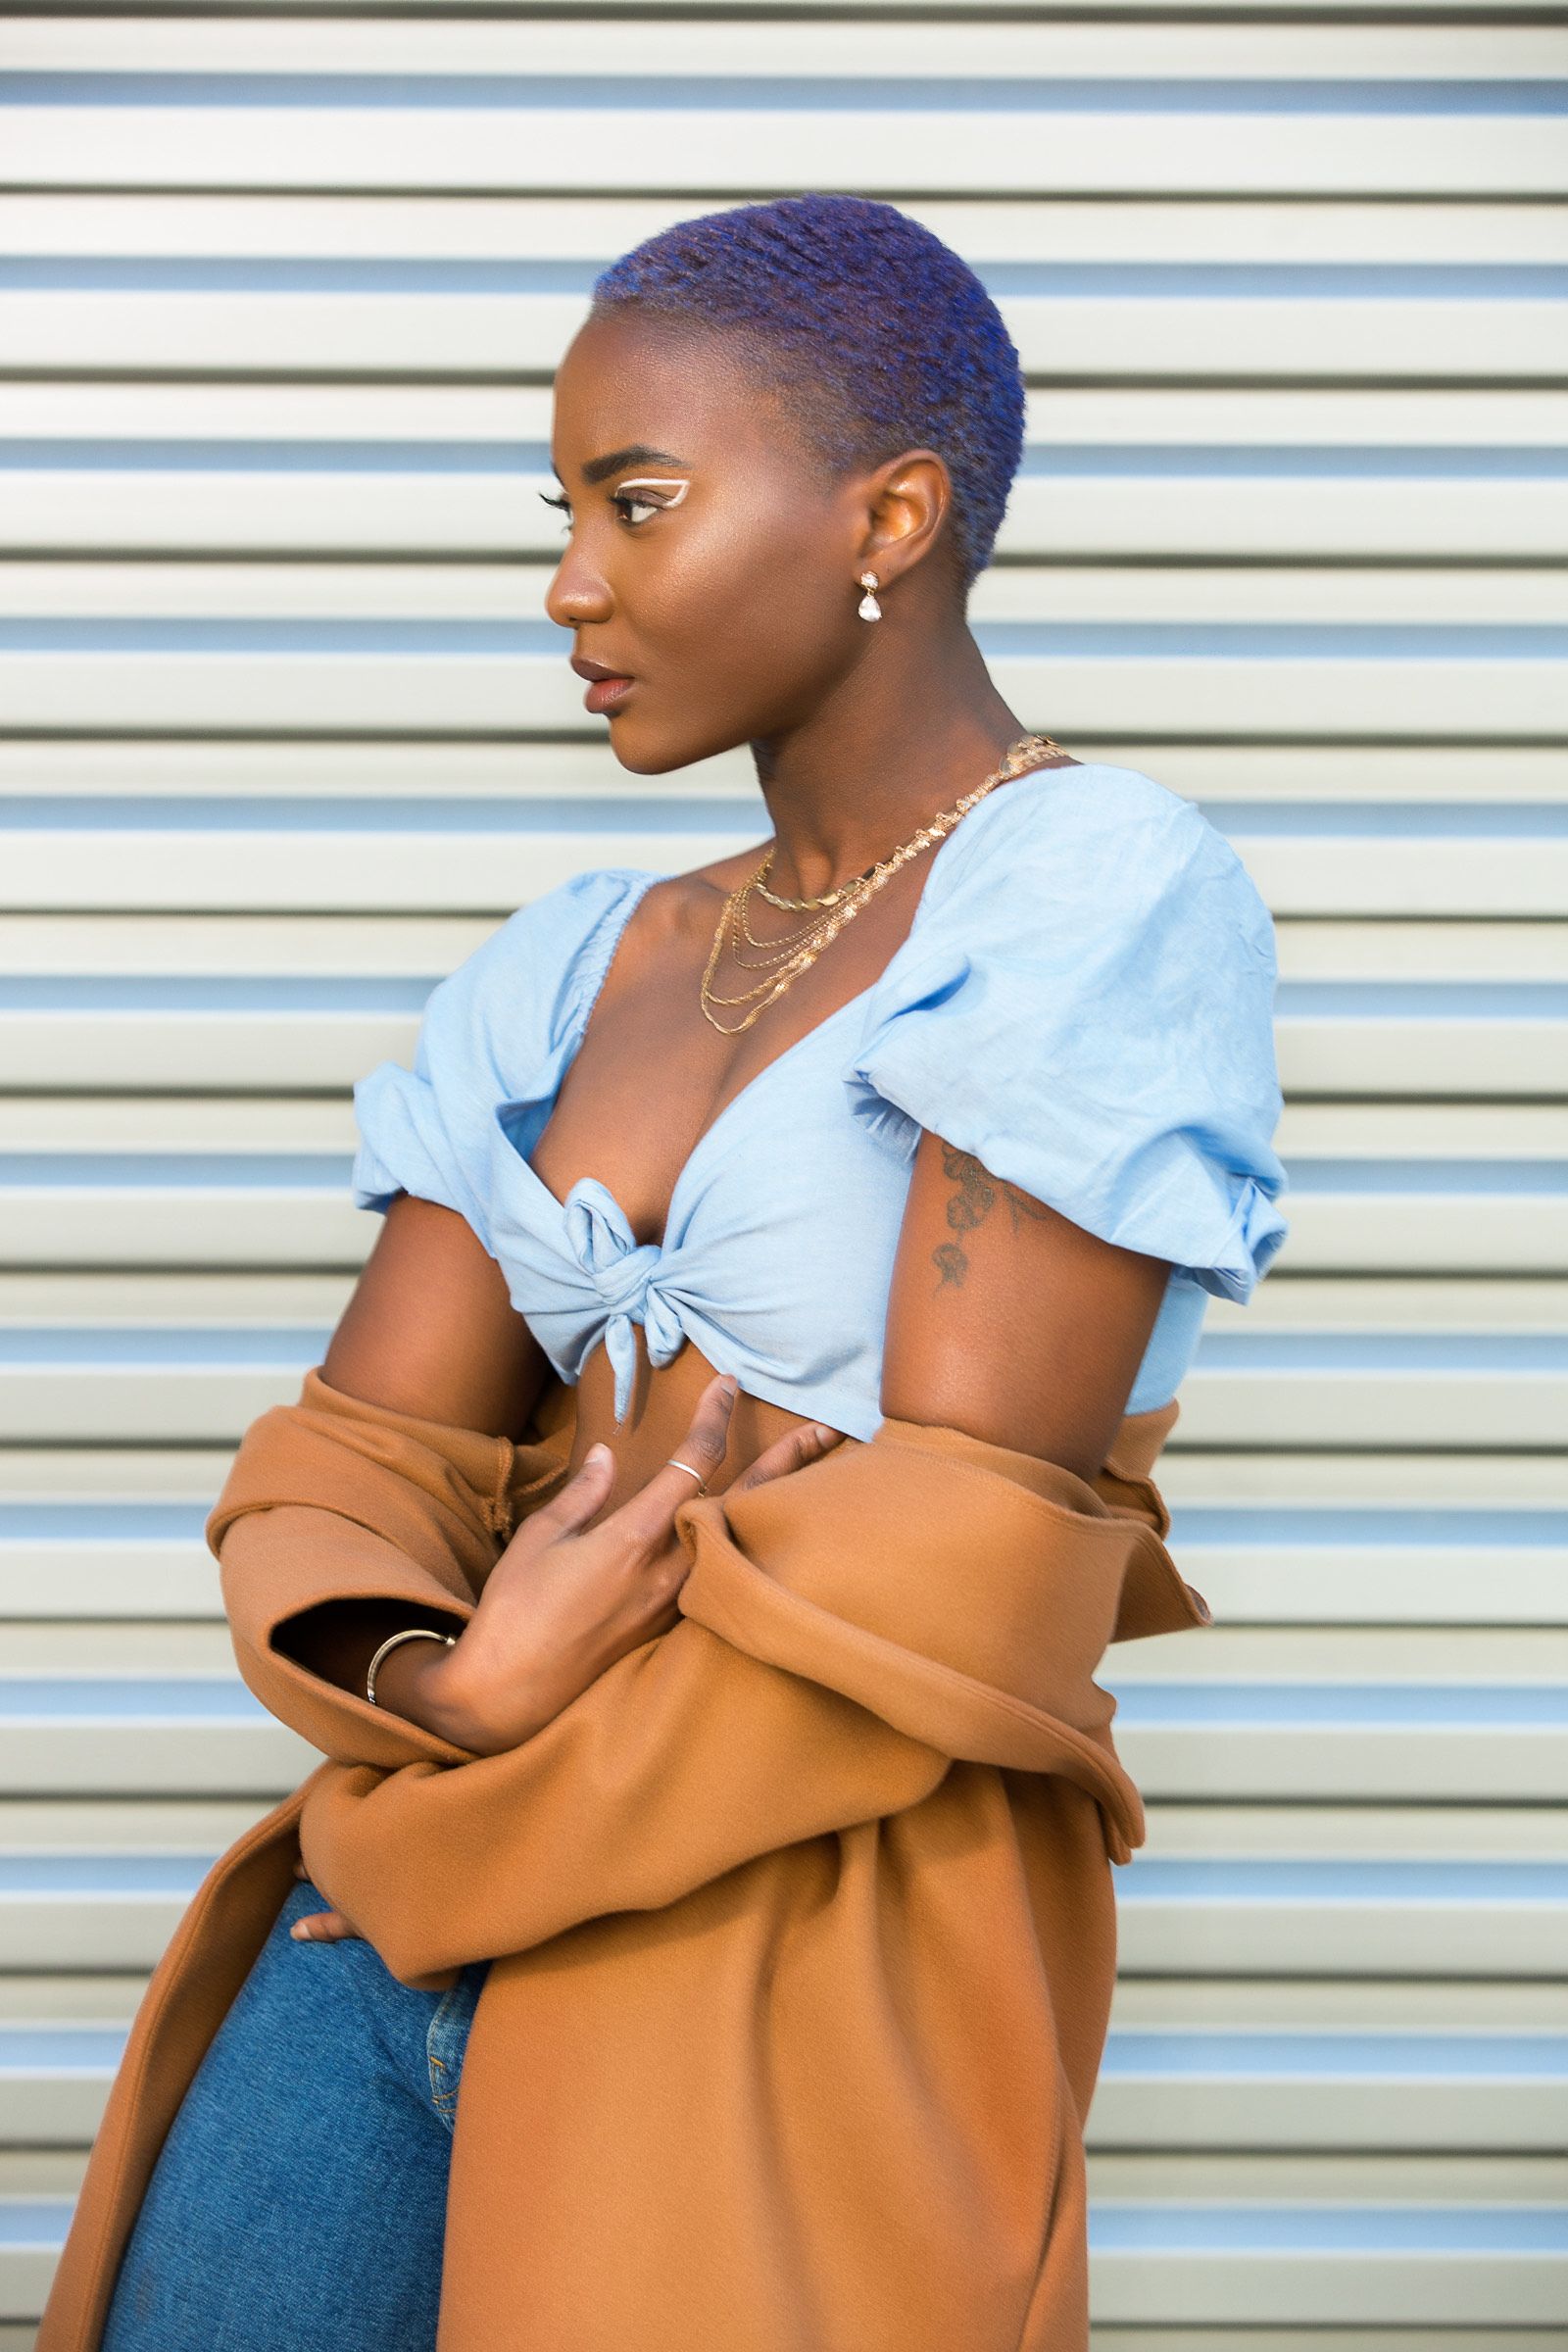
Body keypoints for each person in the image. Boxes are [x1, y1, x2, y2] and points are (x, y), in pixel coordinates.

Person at [45, 192, 1289, 2352]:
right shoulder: (579, 956)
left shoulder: (1090, 894)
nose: (569, 581)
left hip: (790, 1933)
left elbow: (947, 1556)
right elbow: (346, 1468)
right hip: (396, 1925)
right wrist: (456, 1685)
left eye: (637, 502)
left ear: (884, 513)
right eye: (565, 509)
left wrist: (440, 1812)